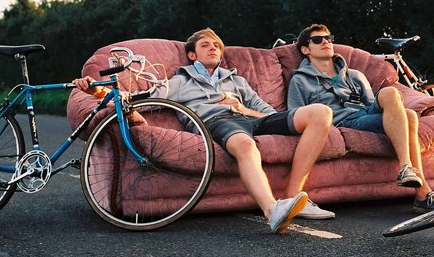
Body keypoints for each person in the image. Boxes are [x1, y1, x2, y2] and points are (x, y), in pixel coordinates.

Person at [73, 28, 335, 233]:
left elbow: (266, 111)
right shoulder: (180, 81)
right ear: (192, 55)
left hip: (251, 118)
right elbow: (135, 99)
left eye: (216, 46)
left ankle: (293, 193)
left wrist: (243, 109)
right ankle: (272, 210)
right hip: (218, 122)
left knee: (320, 113)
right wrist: (95, 90)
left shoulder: (237, 80)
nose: (213, 48)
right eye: (205, 45)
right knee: (245, 145)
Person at [287, 24, 434, 212]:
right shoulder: (300, 80)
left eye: (329, 38)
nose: (326, 42)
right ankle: (423, 194)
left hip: (365, 113)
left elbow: (372, 104)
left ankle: (406, 168)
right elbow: (296, 115)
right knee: (410, 117)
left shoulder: (354, 75)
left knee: (394, 97)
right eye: (318, 40)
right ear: (305, 50)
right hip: (345, 122)